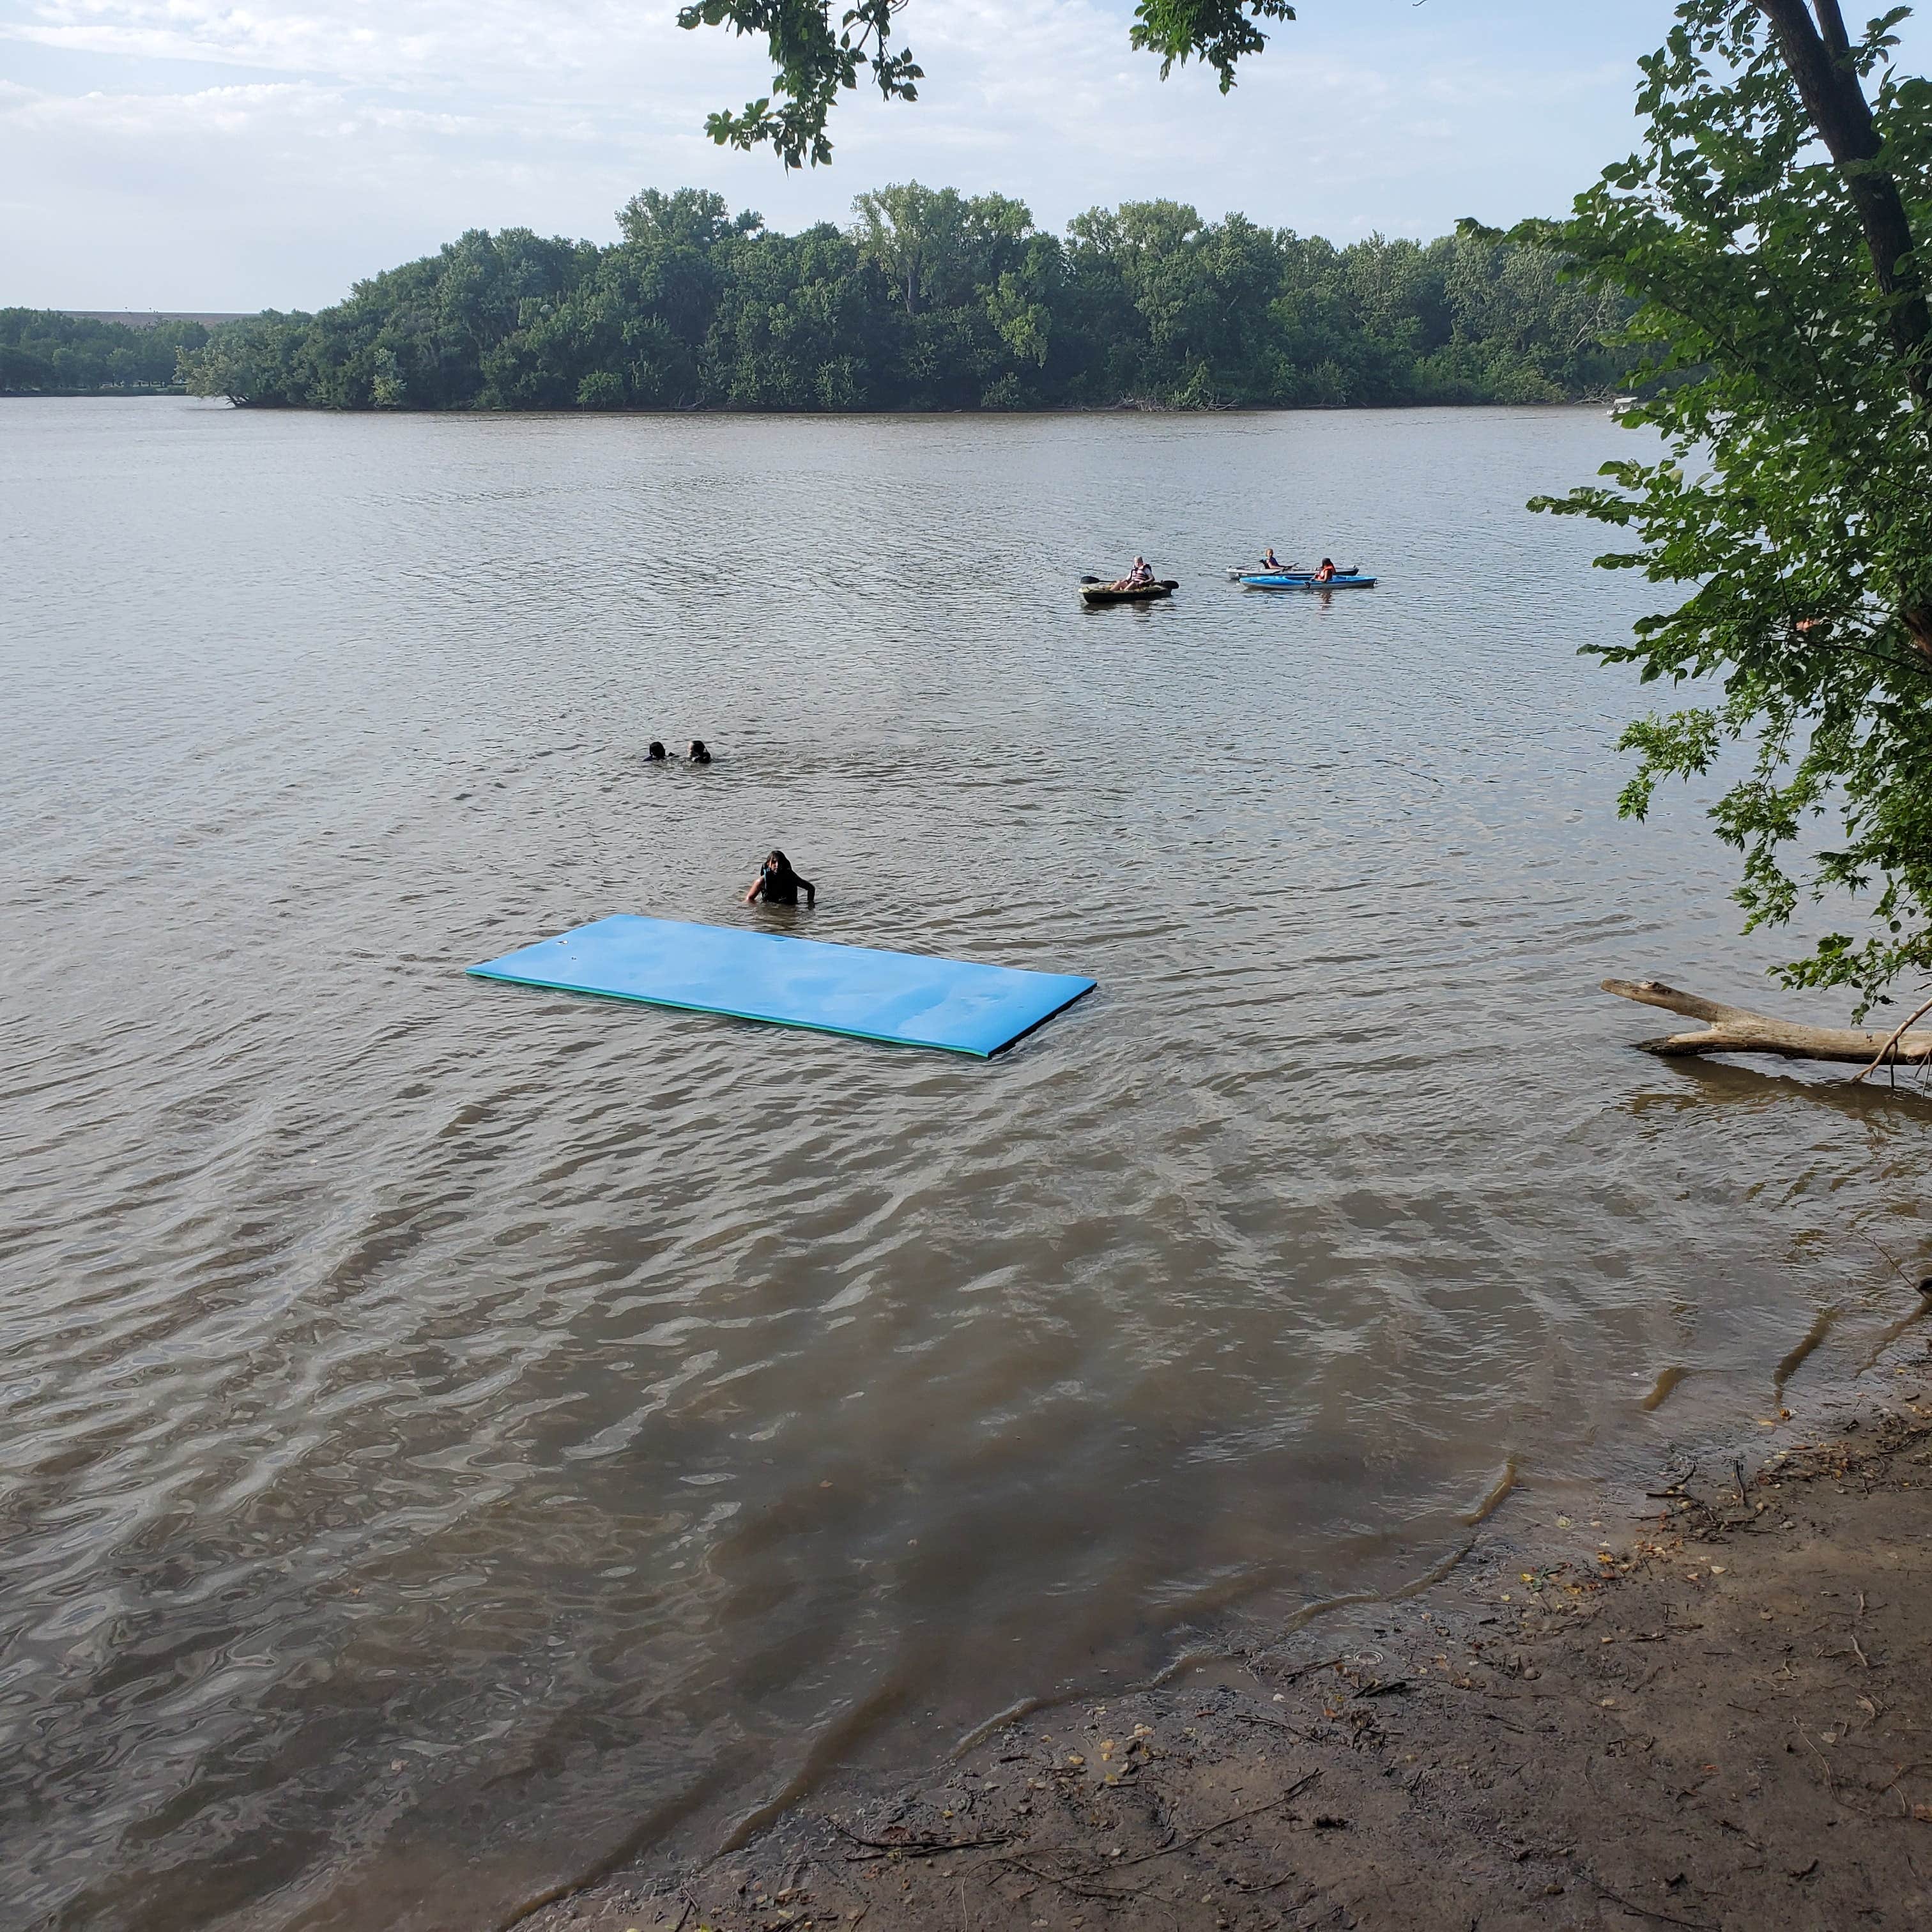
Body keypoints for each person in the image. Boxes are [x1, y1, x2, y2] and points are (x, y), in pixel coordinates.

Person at [746, 849, 815, 907]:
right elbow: (749, 899)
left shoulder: (791, 877)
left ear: (784, 864)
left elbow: (811, 888)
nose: (777, 865)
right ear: (768, 864)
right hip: (770, 909)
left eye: (780, 862)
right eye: (774, 862)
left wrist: (810, 904)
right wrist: (759, 911)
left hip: (790, 907)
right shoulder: (762, 881)